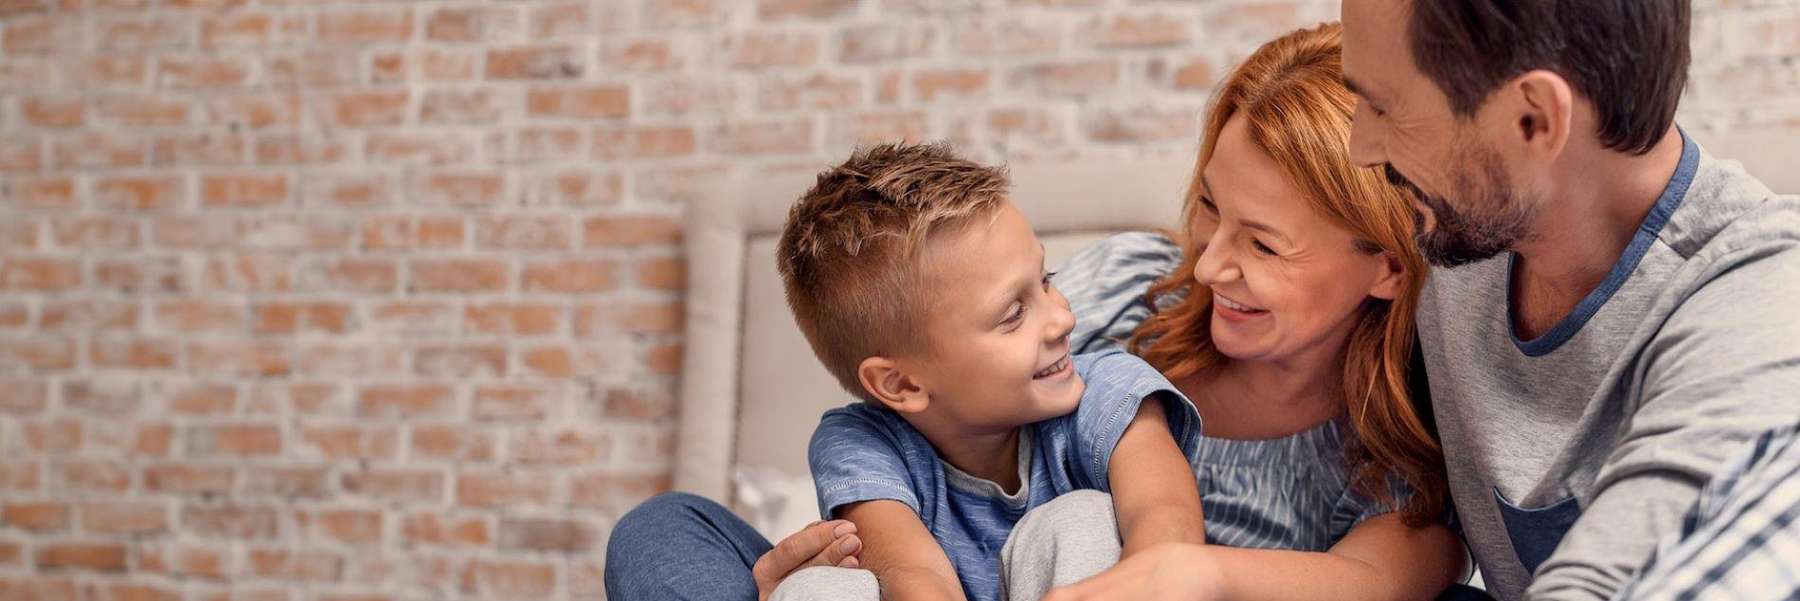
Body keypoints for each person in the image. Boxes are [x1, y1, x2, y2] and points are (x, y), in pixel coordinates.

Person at [606, 23, 1472, 601]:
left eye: (1265, 245)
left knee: (1079, 518)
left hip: (1080, 570)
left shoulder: (1389, 436)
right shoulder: (1137, 292)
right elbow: (946, 365)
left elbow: (1389, 574)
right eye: (1211, 206)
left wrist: (1188, 572)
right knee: (666, 529)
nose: (1207, 264)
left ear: (1388, 264)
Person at [1307, 2, 1795, 600]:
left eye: (1384, 107)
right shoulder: (1460, 230)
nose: (1361, 148)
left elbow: (1618, 579)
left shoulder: (1760, 304)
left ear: (1534, 119)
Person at [769, 141, 1209, 601]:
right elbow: (916, 578)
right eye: (1013, 315)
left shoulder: (1109, 390)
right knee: (819, 586)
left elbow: (1166, 524)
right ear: (902, 383)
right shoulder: (861, 444)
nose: (1063, 319)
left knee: (1079, 517)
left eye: (1046, 281)